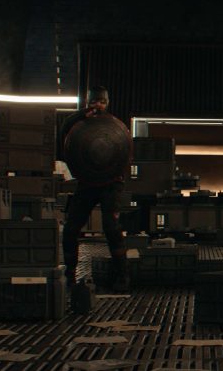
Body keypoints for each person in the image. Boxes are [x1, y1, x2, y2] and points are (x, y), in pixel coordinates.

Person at [58, 86, 131, 292]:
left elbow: (124, 150)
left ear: (107, 104)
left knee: (111, 227)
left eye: (102, 102)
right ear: (87, 103)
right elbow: (64, 129)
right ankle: (69, 276)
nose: (98, 105)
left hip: (111, 183)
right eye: (94, 102)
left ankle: (122, 276)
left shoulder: (114, 125)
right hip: (87, 183)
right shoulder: (79, 122)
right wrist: (82, 115)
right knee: (70, 229)